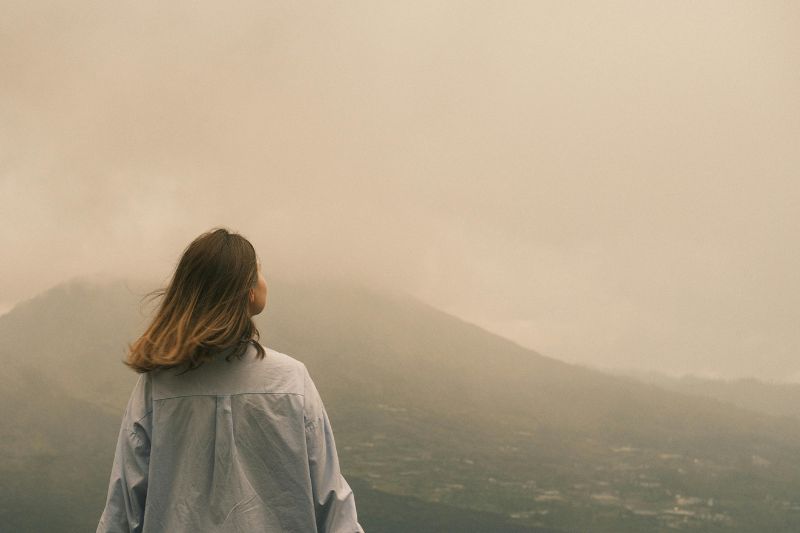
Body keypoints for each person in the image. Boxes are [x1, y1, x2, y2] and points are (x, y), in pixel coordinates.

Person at [96, 227, 365, 533]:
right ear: (248, 291)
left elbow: (123, 509)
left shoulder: (156, 387)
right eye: (258, 271)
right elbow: (333, 506)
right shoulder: (291, 381)